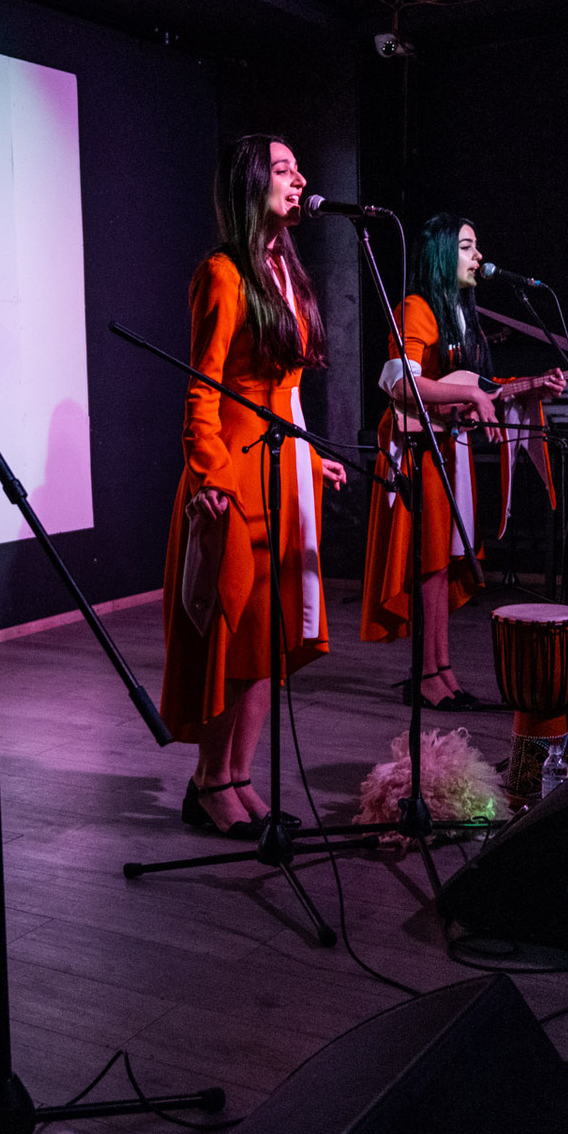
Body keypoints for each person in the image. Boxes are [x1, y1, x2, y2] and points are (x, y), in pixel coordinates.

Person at [158, 134, 346, 838]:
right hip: (234, 476)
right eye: (283, 169)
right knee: (234, 639)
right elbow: (201, 390)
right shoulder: (223, 273)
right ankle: (209, 783)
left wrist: (309, 458)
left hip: (283, 471)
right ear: (250, 183)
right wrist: (209, 475)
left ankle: (239, 777)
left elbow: (284, 394)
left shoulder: (285, 271)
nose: (299, 179)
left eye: (300, 168)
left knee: (270, 639)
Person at [359, 214, 562, 709]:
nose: (479, 258)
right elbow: (402, 384)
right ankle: (428, 673)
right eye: (468, 247)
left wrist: (533, 386)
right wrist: (471, 398)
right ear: (441, 254)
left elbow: (474, 386)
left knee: (443, 564)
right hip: (419, 449)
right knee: (429, 562)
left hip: (450, 447)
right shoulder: (416, 308)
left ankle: (441, 668)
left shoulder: (459, 314)